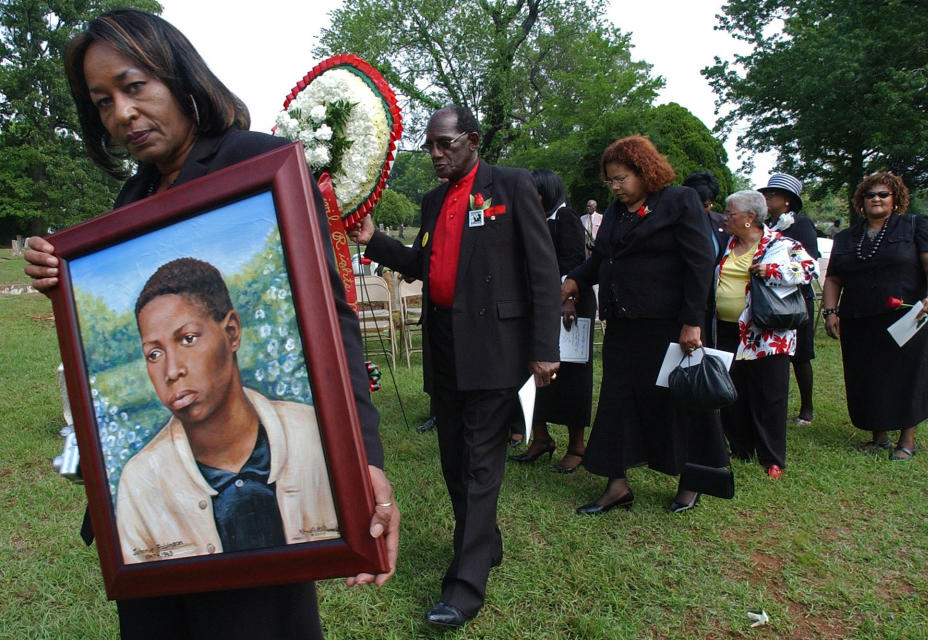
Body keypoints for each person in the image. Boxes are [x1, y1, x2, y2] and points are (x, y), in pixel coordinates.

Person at [23, 10, 397, 638]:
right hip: (154, 552)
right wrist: (61, 278)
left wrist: (363, 457)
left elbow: (333, 320)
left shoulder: (262, 167)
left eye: (135, 85)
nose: (122, 114)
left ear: (178, 75)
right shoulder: (130, 205)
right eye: (103, 101)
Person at [348, 105, 560, 628]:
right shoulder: (432, 201)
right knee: (452, 462)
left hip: (496, 348)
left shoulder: (508, 187)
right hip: (444, 348)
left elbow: (542, 269)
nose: (437, 154)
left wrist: (544, 346)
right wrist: (373, 240)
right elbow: (425, 265)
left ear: (472, 139)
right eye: (431, 146)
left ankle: (464, 587)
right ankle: (484, 541)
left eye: (445, 144)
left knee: (478, 464)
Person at [117, 258, 339, 564]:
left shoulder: (311, 432)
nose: (171, 371)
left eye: (188, 339)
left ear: (232, 332)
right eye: (154, 354)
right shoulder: (141, 481)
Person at [561, 135, 728, 515]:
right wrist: (573, 280)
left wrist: (692, 323)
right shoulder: (616, 211)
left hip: (668, 326)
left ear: (644, 171)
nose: (615, 187)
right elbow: (601, 258)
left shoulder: (679, 201)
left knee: (679, 400)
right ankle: (617, 484)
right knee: (618, 401)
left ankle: (691, 479)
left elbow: (700, 264)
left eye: (621, 179)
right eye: (610, 181)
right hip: (623, 325)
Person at [822, 172, 928, 460]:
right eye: (870, 195)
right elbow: (833, 279)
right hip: (859, 318)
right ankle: (878, 437)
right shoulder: (846, 237)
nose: (876, 199)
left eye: (883, 194)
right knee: (867, 376)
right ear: (861, 202)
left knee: (907, 376)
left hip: (905, 317)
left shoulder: (914, 225)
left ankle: (907, 440)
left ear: (896, 199)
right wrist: (830, 311)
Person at [715, 190, 818, 478]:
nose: (725, 218)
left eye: (730, 213)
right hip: (726, 329)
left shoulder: (781, 243)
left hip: (767, 331)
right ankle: (740, 446)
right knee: (733, 390)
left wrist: (771, 269)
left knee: (769, 393)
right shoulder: (726, 244)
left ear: (749, 218)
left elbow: (809, 270)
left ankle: (771, 456)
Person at [509, 169, 596, 473]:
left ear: (544, 193)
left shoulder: (566, 218)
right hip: (539, 306)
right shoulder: (532, 220)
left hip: (568, 306)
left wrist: (568, 300)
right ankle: (542, 438)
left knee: (571, 376)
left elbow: (575, 264)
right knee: (532, 369)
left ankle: (577, 446)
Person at [758, 173, 820, 425]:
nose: (767, 198)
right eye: (766, 194)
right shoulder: (764, 226)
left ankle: (807, 407)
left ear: (787, 201)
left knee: (801, 355)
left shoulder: (800, 225)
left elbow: (809, 264)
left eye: (772, 195)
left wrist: (775, 271)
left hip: (794, 298)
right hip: (767, 297)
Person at [682, 170, 728, 347]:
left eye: (707, 205)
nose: (701, 210)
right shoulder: (672, 223)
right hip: (686, 303)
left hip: (715, 301)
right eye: (696, 204)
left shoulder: (721, 224)